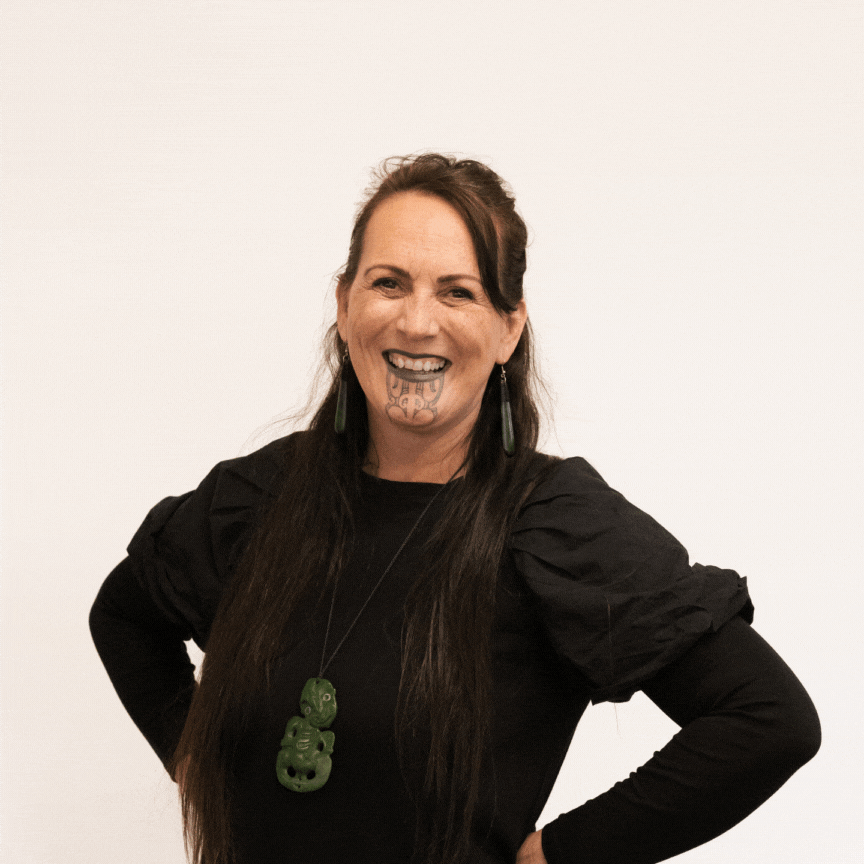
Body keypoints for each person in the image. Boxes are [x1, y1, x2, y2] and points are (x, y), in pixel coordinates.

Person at [90, 153, 820, 864]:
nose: (415, 322)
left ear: (509, 328)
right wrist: (193, 756)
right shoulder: (259, 498)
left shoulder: (554, 525)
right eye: (389, 283)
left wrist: (562, 855)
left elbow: (768, 721)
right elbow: (124, 615)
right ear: (345, 306)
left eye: (457, 292)